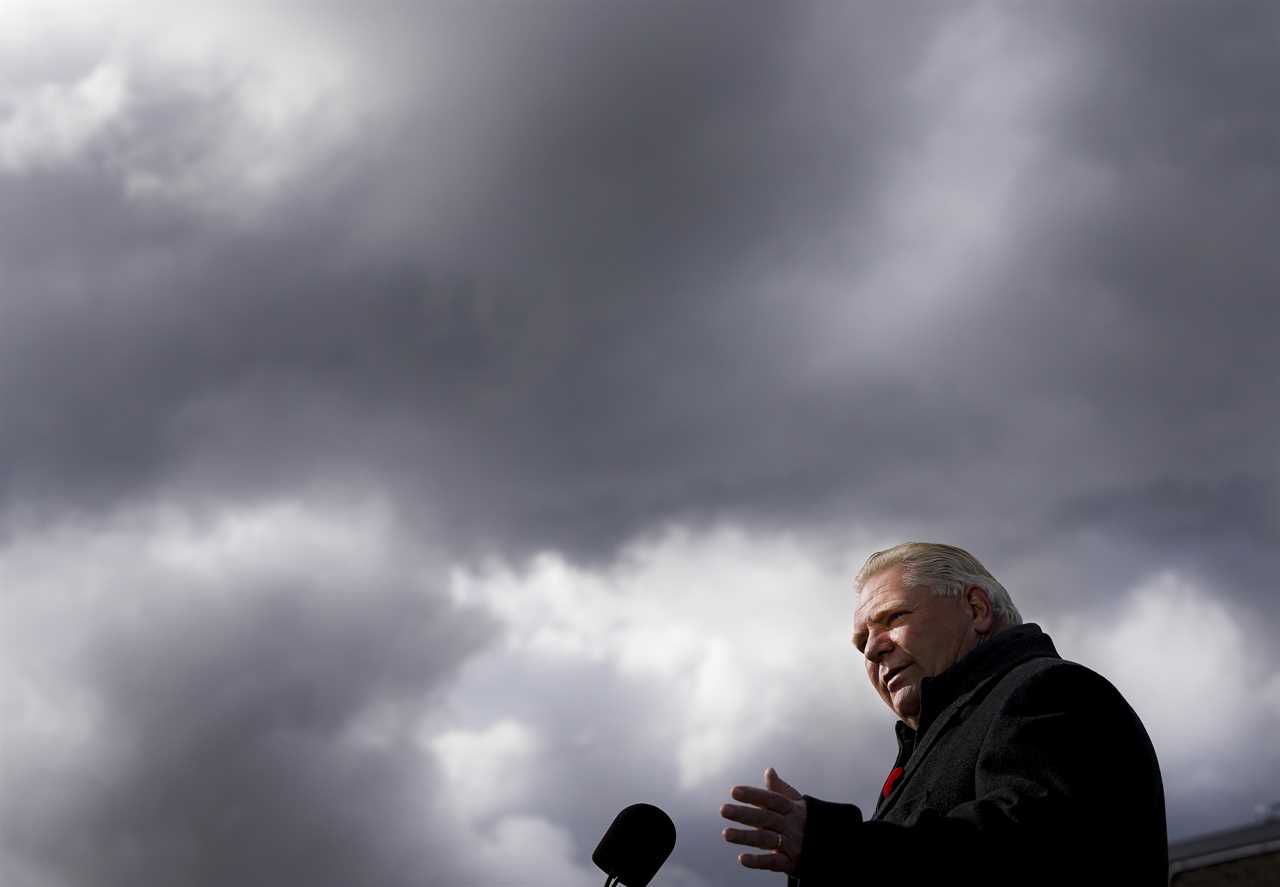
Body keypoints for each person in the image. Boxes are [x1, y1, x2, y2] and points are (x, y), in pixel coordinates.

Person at [719, 542, 1168, 886]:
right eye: (861, 643)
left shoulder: (1049, 691)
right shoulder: (933, 741)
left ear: (976, 610)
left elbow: (1021, 853)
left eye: (892, 617)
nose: (873, 648)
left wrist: (835, 846)